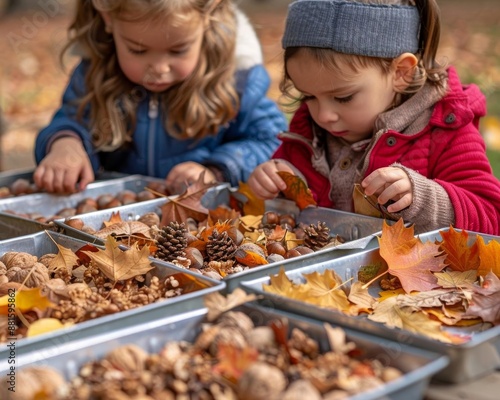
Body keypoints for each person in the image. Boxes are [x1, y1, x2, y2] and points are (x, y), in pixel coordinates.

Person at [248, 0, 500, 235]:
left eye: (344, 97)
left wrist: (424, 199)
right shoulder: (306, 132)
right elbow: (279, 213)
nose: (323, 115)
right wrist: (274, 183)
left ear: (401, 73)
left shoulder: (446, 130)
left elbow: (492, 217)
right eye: (308, 96)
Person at [34, 0, 287, 194]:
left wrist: (216, 170)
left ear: (207, 20)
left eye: (178, 50)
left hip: (202, 221)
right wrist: (66, 143)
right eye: (138, 50)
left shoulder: (236, 81)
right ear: (108, 18)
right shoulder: (94, 74)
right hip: (118, 222)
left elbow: (271, 140)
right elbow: (72, 119)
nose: (159, 68)